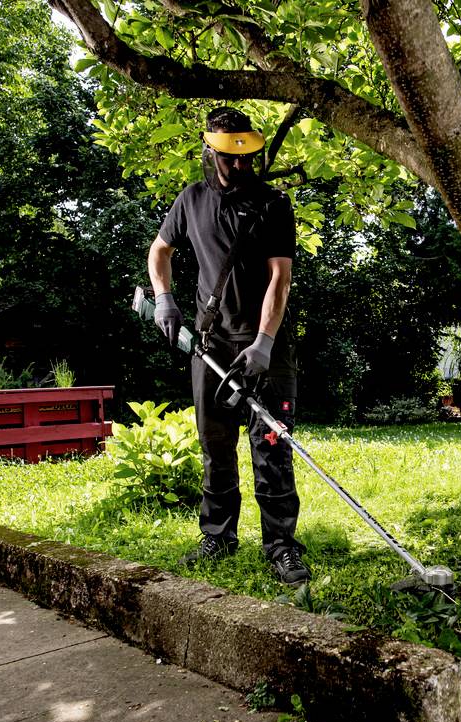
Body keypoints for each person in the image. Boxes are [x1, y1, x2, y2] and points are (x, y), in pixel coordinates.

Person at [147, 107, 309, 586]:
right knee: (215, 446)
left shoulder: (274, 204)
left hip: (267, 346)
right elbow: (160, 251)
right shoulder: (191, 200)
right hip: (210, 343)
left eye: (248, 159)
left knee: (272, 447)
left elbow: (279, 279)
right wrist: (164, 299)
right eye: (230, 159)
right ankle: (218, 536)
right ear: (210, 153)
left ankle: (281, 546)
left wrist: (263, 342)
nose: (241, 167)